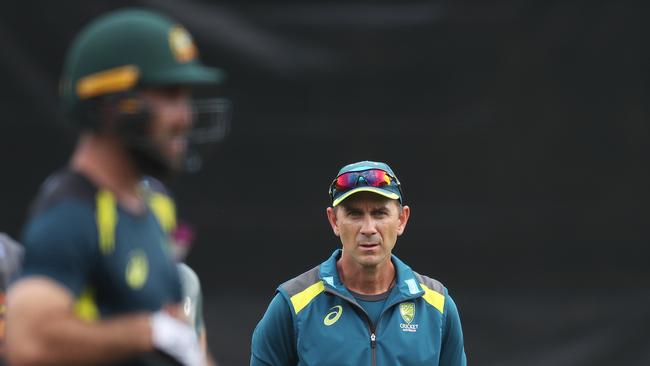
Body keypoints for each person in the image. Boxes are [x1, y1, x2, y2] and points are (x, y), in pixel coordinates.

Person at [6, 8, 226, 366]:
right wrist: (146, 332)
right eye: (169, 95)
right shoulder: (70, 213)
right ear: (113, 105)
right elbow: (28, 342)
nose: (186, 117)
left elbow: (177, 334)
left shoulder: (155, 205)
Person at [250, 161, 467, 366]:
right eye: (355, 214)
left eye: (379, 213)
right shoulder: (293, 305)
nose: (368, 228)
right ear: (334, 221)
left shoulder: (437, 306)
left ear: (402, 220)